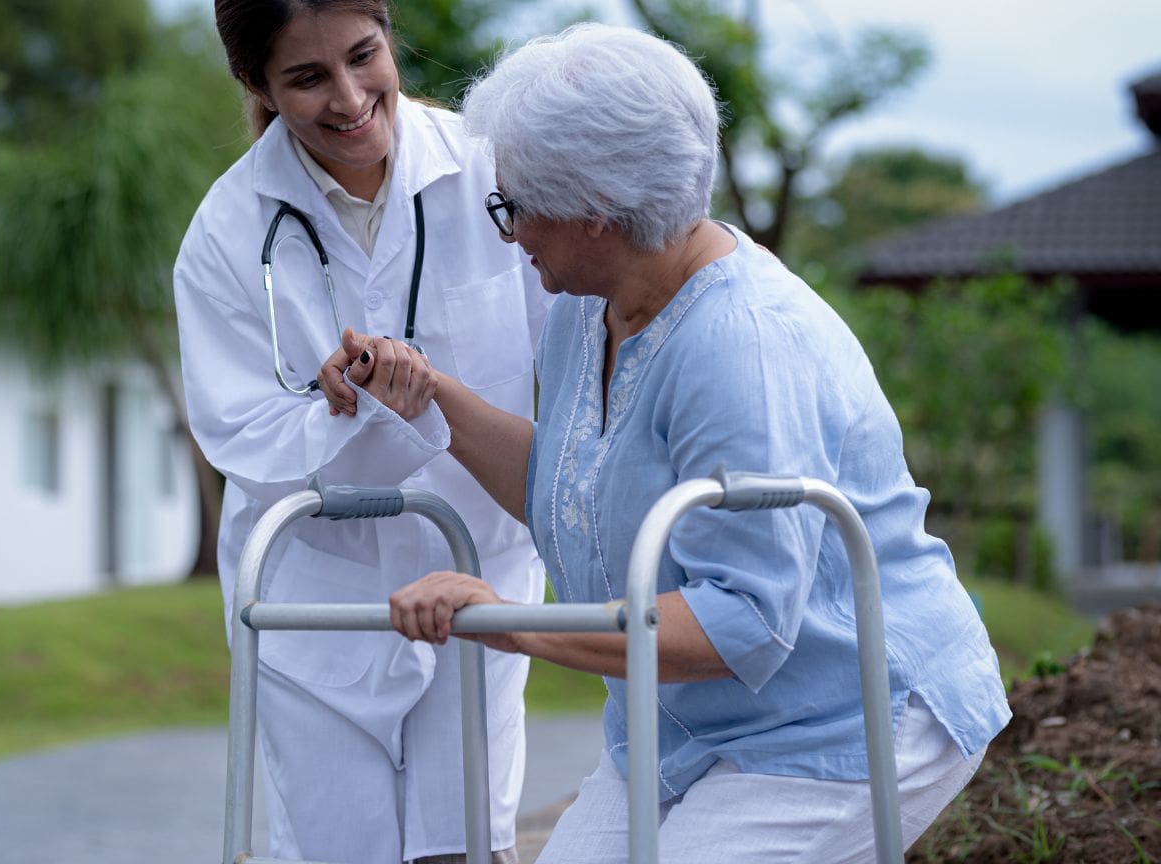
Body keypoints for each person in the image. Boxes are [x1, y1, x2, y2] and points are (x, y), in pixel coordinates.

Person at [323, 23, 1012, 863]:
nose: (512, 235)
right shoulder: (590, 303)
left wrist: (513, 624)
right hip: (686, 724)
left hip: (844, 720)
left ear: (599, 211)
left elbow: (744, 622)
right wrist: (427, 395)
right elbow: (570, 486)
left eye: (518, 208)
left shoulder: (742, 346)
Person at [172, 2, 552, 861]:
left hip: (476, 571)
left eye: (363, 57)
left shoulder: (492, 173)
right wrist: (333, 406)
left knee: (465, 846)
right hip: (318, 606)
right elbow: (236, 431)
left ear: (388, 38)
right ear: (257, 86)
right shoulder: (228, 232)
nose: (348, 99)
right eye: (306, 78)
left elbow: (568, 344)